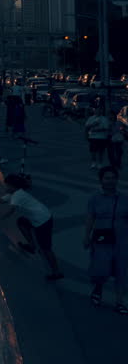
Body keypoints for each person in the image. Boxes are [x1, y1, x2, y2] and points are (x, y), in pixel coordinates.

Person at [0, 174, 63, 281]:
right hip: (39, 217)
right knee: (21, 222)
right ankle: (32, 246)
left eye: (7, 186)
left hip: (43, 220)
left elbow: (11, 211)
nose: (5, 188)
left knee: (45, 249)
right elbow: (0, 201)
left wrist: (0, 218)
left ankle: (57, 272)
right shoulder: (14, 194)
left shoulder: (17, 196)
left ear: (13, 186)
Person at [85, 167, 128, 312]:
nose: (110, 181)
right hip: (102, 240)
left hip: (122, 240)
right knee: (101, 269)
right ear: (101, 180)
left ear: (117, 179)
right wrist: (87, 236)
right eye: (107, 178)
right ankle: (98, 289)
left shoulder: (124, 199)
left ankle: (120, 301)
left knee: (122, 270)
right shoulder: (94, 198)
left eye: (113, 178)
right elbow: (91, 218)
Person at [86, 104, 113, 170]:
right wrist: (93, 125)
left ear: (102, 111)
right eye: (97, 110)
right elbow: (87, 126)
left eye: (100, 110)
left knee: (101, 151)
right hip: (93, 137)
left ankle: (100, 163)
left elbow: (106, 128)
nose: (98, 111)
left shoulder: (104, 119)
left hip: (102, 137)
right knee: (93, 151)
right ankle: (93, 162)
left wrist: (98, 129)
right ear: (95, 111)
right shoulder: (91, 118)